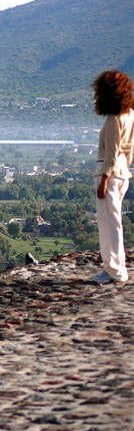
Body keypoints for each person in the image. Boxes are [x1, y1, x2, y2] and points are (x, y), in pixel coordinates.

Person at [92, 69, 134, 283]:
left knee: (108, 223)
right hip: (123, 172)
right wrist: (123, 170)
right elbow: (128, 150)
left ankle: (115, 270)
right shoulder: (130, 114)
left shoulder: (113, 117)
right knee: (114, 221)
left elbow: (111, 153)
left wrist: (104, 180)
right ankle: (114, 268)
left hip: (109, 173)